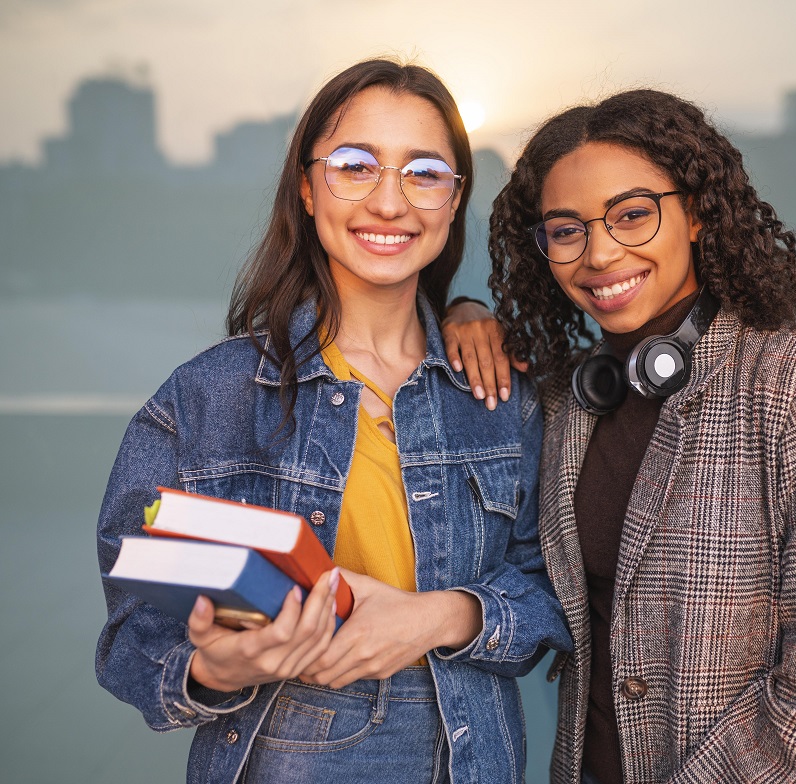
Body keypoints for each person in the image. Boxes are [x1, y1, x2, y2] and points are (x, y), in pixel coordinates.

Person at [95, 59, 571, 784]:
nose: (390, 201)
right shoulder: (208, 396)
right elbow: (134, 629)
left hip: (475, 761)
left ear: (453, 201)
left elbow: (560, 590)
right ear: (309, 190)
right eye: (355, 166)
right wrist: (213, 667)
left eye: (424, 173)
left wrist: (443, 616)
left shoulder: (503, 392)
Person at [442, 89, 796, 783]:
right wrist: (459, 310)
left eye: (632, 215)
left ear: (695, 212)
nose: (600, 253)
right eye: (566, 229)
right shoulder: (569, 399)